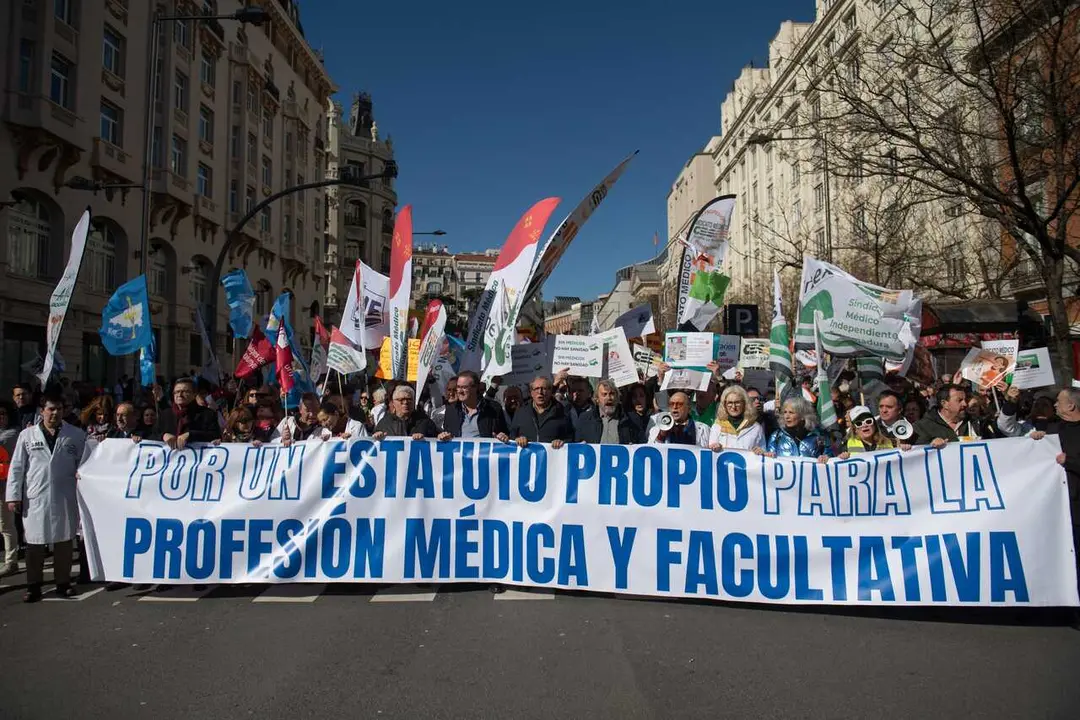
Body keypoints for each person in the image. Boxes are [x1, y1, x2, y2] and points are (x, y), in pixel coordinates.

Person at [5, 394, 87, 601]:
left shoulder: (76, 435)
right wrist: (13, 496)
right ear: (42, 411)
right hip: (35, 496)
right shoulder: (27, 435)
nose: (55, 413)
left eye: (59, 408)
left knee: (64, 541)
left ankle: (63, 583)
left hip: (64, 496)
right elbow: (16, 468)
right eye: (51, 409)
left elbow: (85, 464)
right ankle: (33, 586)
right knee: (34, 543)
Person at [439, 371, 509, 441]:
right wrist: (443, 436)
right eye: (458, 387)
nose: (460, 391)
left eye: (464, 387)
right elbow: (447, 435)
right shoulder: (451, 410)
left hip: (483, 451)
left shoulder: (494, 409)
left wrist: (502, 436)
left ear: (475, 388)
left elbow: (505, 435)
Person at [155, 378, 221, 449]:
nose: (180, 394)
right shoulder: (165, 414)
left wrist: (190, 435)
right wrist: (163, 436)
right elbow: (151, 435)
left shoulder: (207, 414)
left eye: (185, 391)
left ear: (194, 394)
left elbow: (215, 435)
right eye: (177, 392)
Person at [913, 384, 985, 448]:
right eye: (959, 400)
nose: (965, 404)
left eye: (965, 400)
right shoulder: (921, 427)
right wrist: (930, 443)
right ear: (944, 404)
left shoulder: (976, 423)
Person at [510, 376, 573, 448]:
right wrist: (517, 439)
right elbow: (511, 437)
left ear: (550, 391)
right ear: (531, 393)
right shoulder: (520, 412)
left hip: (552, 457)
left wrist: (562, 442)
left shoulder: (562, 412)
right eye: (536, 388)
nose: (540, 392)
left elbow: (570, 439)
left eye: (544, 389)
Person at [764, 397, 831, 460]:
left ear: (802, 416)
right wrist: (768, 455)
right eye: (785, 412)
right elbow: (769, 461)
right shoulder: (776, 436)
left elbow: (830, 457)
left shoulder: (819, 436)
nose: (787, 416)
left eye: (791, 412)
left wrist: (826, 457)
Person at [575, 379, 639, 445]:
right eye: (604, 394)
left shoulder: (632, 420)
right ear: (597, 399)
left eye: (612, 394)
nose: (608, 398)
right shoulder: (584, 419)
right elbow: (575, 447)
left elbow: (642, 445)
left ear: (617, 397)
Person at [709, 385, 766, 451]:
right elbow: (710, 452)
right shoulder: (717, 426)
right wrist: (714, 447)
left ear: (744, 403)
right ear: (724, 405)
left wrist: (760, 452)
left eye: (737, 402)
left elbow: (763, 452)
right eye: (730, 403)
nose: (733, 406)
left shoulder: (756, 427)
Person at [837, 405, 906, 458]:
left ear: (874, 424)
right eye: (859, 424)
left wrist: (905, 450)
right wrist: (841, 458)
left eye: (868, 421)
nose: (864, 425)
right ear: (855, 429)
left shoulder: (889, 442)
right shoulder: (845, 446)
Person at [373, 386, 439, 440]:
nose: (405, 402)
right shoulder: (385, 423)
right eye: (401, 400)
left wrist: (424, 439)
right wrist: (377, 436)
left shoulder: (425, 422)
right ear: (393, 403)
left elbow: (437, 441)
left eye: (409, 399)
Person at [0, 401, 19, 576]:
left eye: (3, 414)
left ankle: (11, 561)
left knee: (5, 525)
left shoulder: (11, 434)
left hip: (4, 485)